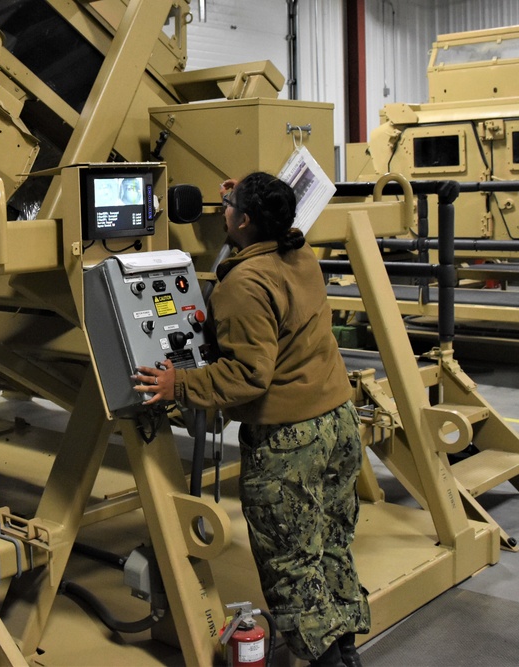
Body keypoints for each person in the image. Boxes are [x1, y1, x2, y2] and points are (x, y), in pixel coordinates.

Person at [133, 172, 370, 666]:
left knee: (289, 562)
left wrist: (179, 385)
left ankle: (327, 662)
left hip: (291, 443)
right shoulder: (301, 255)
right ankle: (347, 650)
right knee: (329, 543)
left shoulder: (243, 284)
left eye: (230, 207)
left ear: (243, 220)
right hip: (339, 422)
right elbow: (271, 210)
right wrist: (245, 195)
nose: (222, 211)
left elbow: (249, 375)